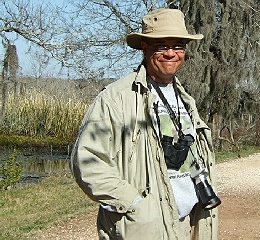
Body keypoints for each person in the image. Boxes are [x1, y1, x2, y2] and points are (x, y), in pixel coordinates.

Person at [70, 8, 220, 240]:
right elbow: (87, 161)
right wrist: (134, 203)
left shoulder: (185, 98)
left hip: (188, 222)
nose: (171, 53)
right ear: (145, 47)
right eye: (161, 45)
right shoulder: (116, 97)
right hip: (144, 228)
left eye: (178, 45)